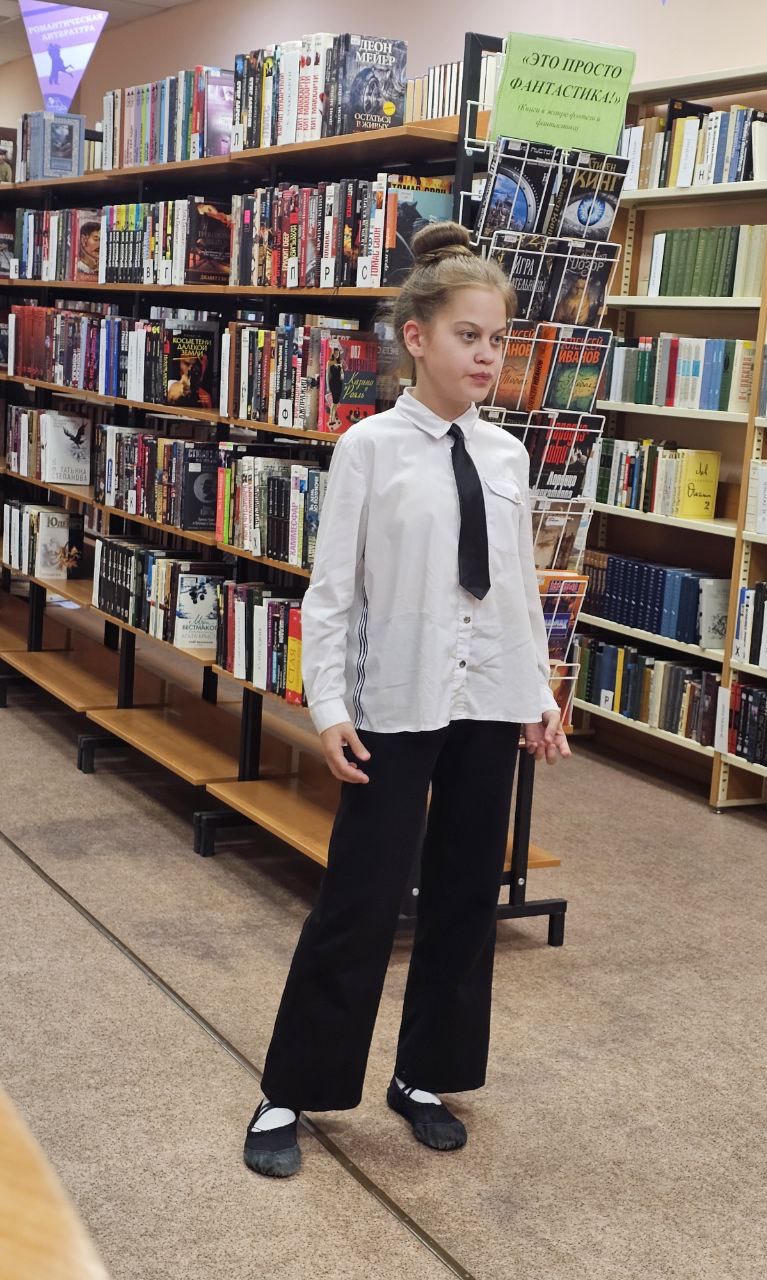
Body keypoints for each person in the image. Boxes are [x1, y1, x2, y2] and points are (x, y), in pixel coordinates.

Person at [243, 220, 571, 1178]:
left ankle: (426, 1074)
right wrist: (329, 707)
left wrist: (538, 688)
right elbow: (333, 593)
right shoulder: (370, 448)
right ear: (417, 338)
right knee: (363, 894)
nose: (488, 355)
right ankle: (291, 1088)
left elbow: (516, 586)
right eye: (469, 336)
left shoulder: (506, 456)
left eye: (499, 339)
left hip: (488, 699)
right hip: (397, 699)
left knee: (467, 895)